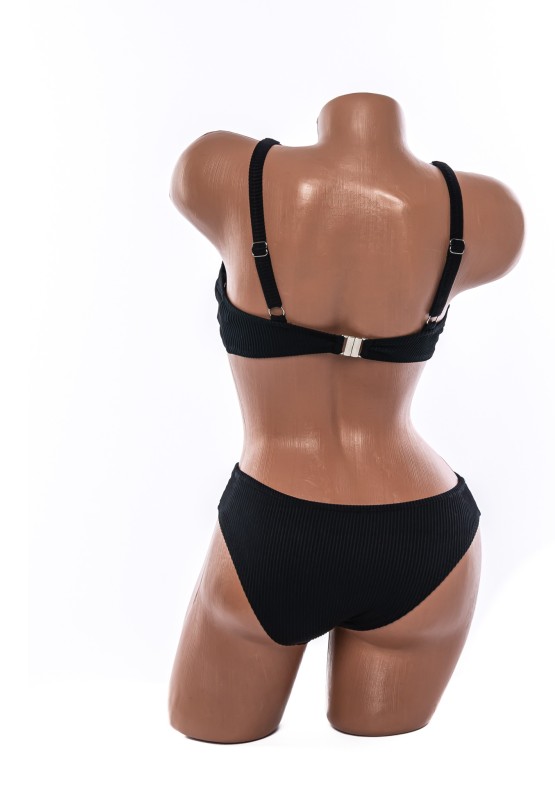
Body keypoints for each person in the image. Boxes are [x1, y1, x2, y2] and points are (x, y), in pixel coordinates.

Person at [167, 92, 524, 743]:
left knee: (212, 746)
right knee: (375, 768)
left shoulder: (225, 171)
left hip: (277, 523)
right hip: (427, 538)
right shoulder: (482, 209)